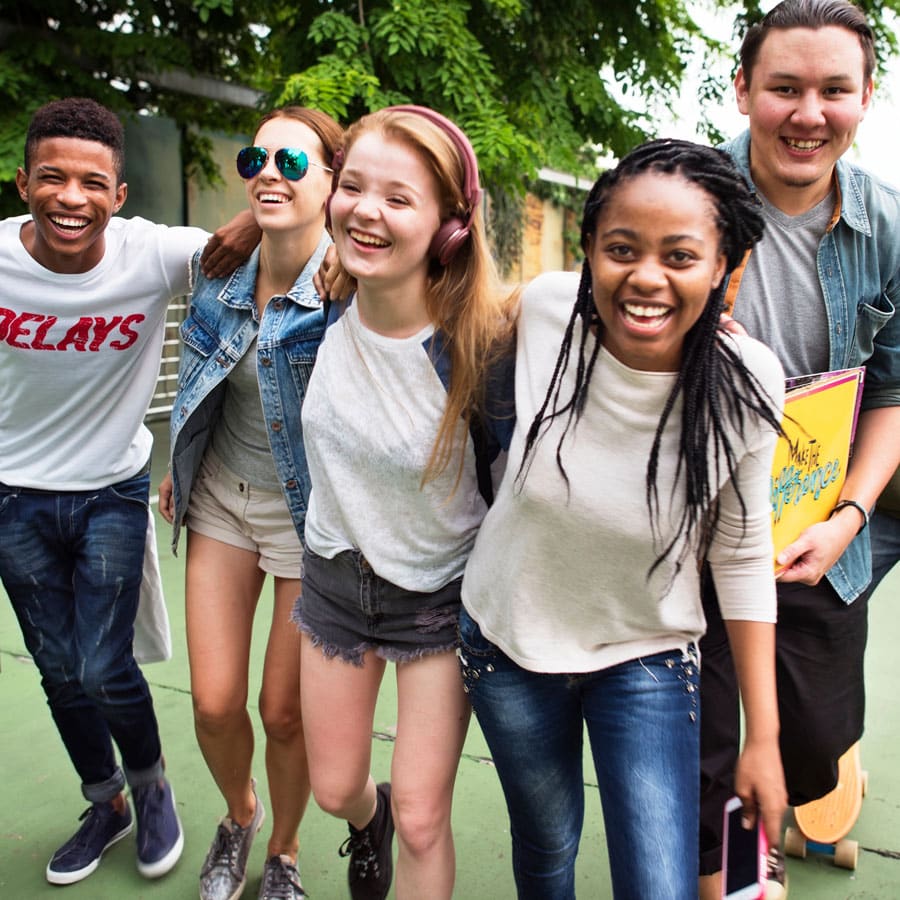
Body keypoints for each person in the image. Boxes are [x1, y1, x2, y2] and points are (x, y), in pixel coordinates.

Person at [457, 139, 788, 900]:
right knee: (546, 849)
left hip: (646, 650)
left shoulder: (748, 382)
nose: (645, 277)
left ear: (722, 269)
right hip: (509, 643)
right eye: (620, 249)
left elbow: (740, 554)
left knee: (661, 884)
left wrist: (762, 738)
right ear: (590, 256)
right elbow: (428, 287)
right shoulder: (545, 311)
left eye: (679, 256)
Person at [0, 97, 255, 886]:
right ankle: (104, 802)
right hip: (12, 495)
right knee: (55, 667)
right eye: (51, 178)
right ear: (21, 184)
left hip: (112, 488)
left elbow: (261, 249)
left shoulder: (154, 254)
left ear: (118, 196)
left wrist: (251, 217)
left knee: (104, 665)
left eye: (91, 182)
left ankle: (152, 789)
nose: (70, 196)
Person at [698, 2, 900, 896]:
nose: (807, 113)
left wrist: (851, 518)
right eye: (784, 87)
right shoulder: (683, 194)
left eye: (833, 90)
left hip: (818, 519)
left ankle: (816, 783)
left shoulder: (888, 227)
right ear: (744, 90)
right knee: (700, 731)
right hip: (691, 514)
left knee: (814, 739)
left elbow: (894, 390)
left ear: (867, 97)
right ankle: (746, 861)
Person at [295, 105, 514, 900]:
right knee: (335, 789)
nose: (365, 211)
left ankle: (399, 827)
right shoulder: (315, 303)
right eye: (353, 187)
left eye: (398, 198)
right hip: (336, 580)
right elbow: (270, 194)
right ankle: (367, 822)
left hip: (438, 598)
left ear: (451, 227)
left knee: (423, 817)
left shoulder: (486, 343)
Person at [158, 105, 342, 900]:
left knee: (284, 712)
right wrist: (180, 460)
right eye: (256, 159)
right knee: (213, 702)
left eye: (294, 163)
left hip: (311, 522)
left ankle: (289, 852)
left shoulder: (353, 286)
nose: (270, 172)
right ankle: (241, 817)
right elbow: (201, 384)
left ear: (335, 181)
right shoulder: (220, 272)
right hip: (222, 502)